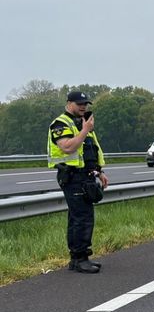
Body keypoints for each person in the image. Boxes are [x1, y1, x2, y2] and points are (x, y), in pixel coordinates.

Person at [49, 91, 109, 273]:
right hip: (72, 177)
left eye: (86, 104)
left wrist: (99, 172)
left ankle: (80, 257)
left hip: (86, 177)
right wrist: (84, 131)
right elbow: (67, 147)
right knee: (80, 218)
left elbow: (90, 152)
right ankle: (78, 258)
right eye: (79, 103)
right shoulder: (61, 124)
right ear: (69, 103)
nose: (84, 107)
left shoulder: (83, 124)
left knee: (83, 217)